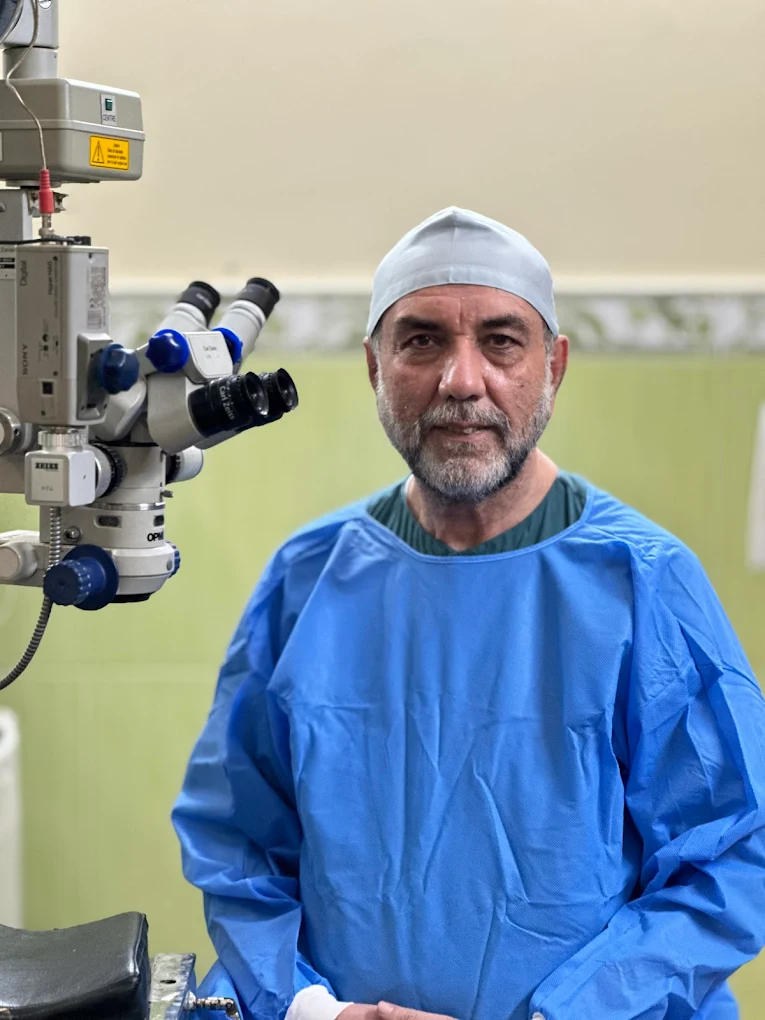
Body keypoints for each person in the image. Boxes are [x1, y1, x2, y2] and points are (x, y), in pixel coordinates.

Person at [172, 208, 765, 1020]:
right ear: (374, 367)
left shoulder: (641, 581)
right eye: (420, 341)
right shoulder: (308, 578)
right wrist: (314, 1009)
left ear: (553, 365)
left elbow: (728, 860)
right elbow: (237, 843)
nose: (460, 381)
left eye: (501, 341)